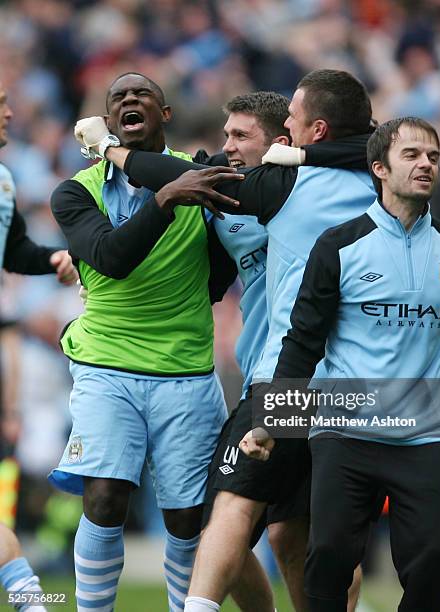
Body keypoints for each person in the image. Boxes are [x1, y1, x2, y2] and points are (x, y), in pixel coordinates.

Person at [74, 68, 377, 612]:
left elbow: (374, 152)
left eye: (240, 137)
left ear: (285, 141)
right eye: (225, 135)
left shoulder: (287, 185)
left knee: (231, 515)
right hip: (292, 370)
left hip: (311, 376)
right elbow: (183, 205)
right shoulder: (230, 195)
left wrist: (109, 148)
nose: (226, 148)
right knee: (283, 533)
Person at [245, 117, 440, 611]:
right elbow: (303, 341)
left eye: (432, 155)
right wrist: (270, 420)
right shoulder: (338, 246)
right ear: (380, 168)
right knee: (329, 557)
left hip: (424, 438)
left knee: (429, 567)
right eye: (412, 155)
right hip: (346, 434)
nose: (425, 163)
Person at [49, 72, 243, 612]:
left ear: (165, 115)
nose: (130, 99)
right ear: (108, 122)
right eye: (119, 98)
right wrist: (164, 202)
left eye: (143, 95)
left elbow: (219, 271)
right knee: (106, 497)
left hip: (186, 370)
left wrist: (173, 190)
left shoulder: (197, 176)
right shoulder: (74, 193)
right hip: (106, 367)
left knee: (185, 516)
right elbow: (111, 258)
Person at [0, 81, 77, 611]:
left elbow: (13, 250)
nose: (9, 112)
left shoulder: (4, 182)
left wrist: (53, 259)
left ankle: (32, 602)